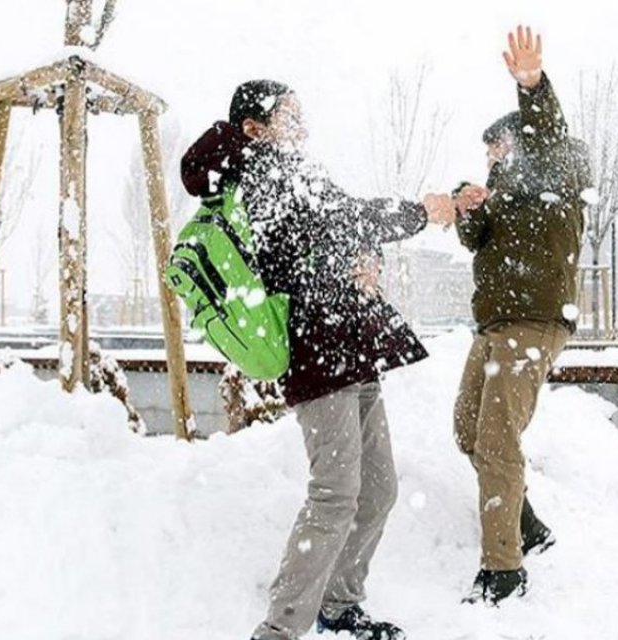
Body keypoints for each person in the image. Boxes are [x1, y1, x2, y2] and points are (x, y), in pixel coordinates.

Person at [181, 80, 456, 640]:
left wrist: (367, 253)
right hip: (318, 351)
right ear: (256, 127)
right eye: (289, 116)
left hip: (352, 344)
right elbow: (332, 223)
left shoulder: (297, 171)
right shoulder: (259, 173)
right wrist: (417, 214)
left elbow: (341, 224)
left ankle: (339, 603)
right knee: (335, 493)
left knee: (379, 489)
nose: (303, 126)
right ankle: (280, 629)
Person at [450, 26, 592, 605]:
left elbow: (549, 134)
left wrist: (531, 85)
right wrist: (466, 204)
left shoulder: (558, 171)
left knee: (497, 440)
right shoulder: (502, 195)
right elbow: (474, 240)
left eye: (499, 149)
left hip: (533, 324)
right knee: (468, 429)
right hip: (495, 327)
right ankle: (526, 523)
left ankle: (503, 570)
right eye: (487, 154)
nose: (492, 159)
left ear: (522, 142)